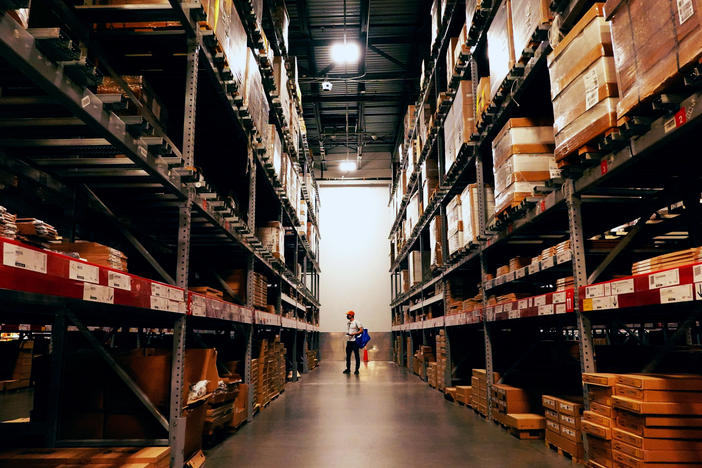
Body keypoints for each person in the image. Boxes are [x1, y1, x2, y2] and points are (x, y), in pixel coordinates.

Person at [343, 310, 363, 375]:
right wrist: (348, 334)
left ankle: (357, 370)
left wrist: (354, 334)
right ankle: (348, 369)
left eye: (348, 315)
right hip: (349, 341)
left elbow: (361, 330)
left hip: (355, 341)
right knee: (348, 356)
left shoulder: (357, 322)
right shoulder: (348, 323)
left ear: (351, 315)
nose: (347, 316)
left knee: (356, 356)